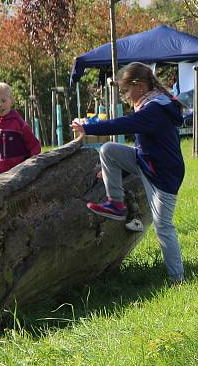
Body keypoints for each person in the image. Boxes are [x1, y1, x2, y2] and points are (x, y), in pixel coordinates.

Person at [72, 62, 185, 283]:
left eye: (126, 90)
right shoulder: (151, 103)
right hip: (146, 162)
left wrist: (89, 129)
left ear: (141, 86)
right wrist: (114, 172)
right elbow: (145, 146)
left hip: (164, 176)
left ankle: (177, 279)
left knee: (163, 226)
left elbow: (124, 124)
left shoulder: (154, 109)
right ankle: (116, 204)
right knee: (109, 151)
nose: (124, 95)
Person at [0, 82, 41, 176]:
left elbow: (34, 146)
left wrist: (29, 166)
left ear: (12, 101)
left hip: (15, 175)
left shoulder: (18, 123)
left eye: (3, 101)